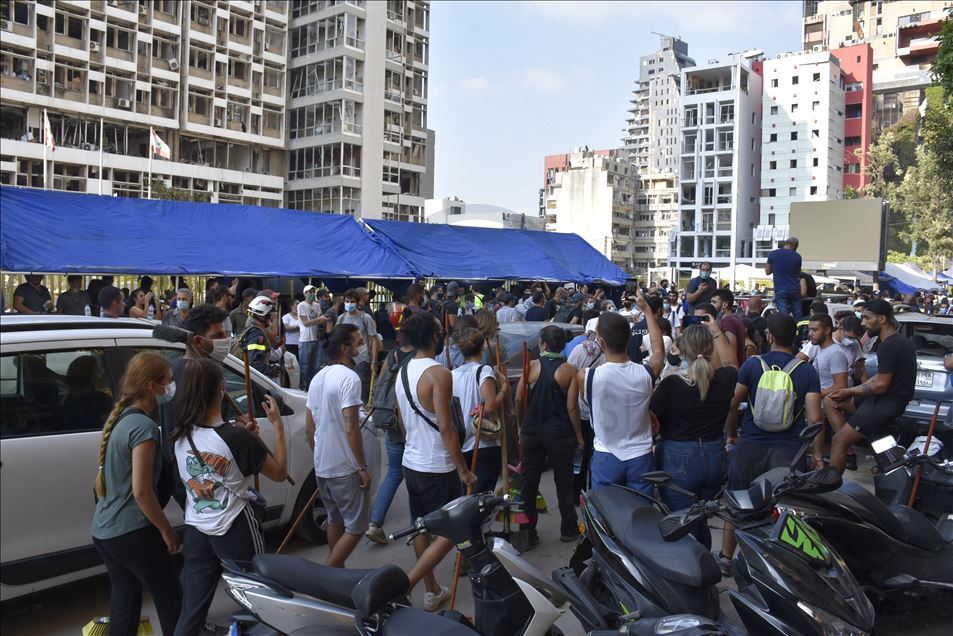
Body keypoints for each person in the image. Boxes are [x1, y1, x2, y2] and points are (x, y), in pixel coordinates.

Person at [172, 358, 287, 636]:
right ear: (221, 389)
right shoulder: (236, 438)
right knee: (258, 598)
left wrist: (244, 437)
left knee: (191, 610)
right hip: (235, 526)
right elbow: (280, 472)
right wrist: (278, 426)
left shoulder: (181, 434)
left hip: (197, 528)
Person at [721, 313, 821, 575]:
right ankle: (779, 565)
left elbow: (732, 404)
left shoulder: (752, 365)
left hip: (750, 446)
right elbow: (814, 419)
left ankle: (726, 558)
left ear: (770, 336)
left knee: (737, 501)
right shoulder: (806, 371)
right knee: (786, 508)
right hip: (789, 451)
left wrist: (732, 435)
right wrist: (818, 455)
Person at [91, 352, 182, 636]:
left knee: (125, 600)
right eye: (168, 381)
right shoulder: (143, 428)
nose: (171, 387)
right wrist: (166, 530)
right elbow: (142, 492)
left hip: (104, 531)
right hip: (134, 531)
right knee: (171, 598)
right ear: (151, 386)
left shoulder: (119, 419)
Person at [396, 313, 476, 610]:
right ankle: (408, 584)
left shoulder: (403, 371)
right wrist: (463, 470)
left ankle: (432, 591)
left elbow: (401, 420)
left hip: (411, 461)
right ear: (432, 337)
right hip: (436, 465)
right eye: (440, 332)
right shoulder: (439, 374)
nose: (443, 336)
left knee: (421, 527)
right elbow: (447, 427)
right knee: (454, 528)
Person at [650, 323, 738, 548]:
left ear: (682, 350)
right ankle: (704, 562)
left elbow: (650, 417)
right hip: (714, 456)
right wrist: (717, 331)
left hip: (678, 458)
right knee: (700, 521)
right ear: (711, 349)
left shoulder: (671, 383)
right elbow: (731, 362)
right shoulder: (726, 378)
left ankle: (691, 567)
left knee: (681, 525)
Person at [580, 294, 664, 494]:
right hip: (640, 456)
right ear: (628, 339)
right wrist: (647, 311)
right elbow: (659, 350)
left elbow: (588, 401)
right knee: (641, 508)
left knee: (605, 509)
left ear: (601, 342)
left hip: (606, 456)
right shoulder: (646, 373)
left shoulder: (586, 376)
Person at [305, 325, 370, 567]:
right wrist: (361, 467)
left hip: (323, 465)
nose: (363, 347)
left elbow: (309, 429)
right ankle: (329, 571)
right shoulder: (349, 378)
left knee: (335, 520)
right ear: (345, 348)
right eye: (359, 342)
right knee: (357, 526)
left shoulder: (318, 377)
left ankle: (336, 573)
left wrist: (320, 454)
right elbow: (351, 428)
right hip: (345, 467)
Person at [826, 300, 917, 473]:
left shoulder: (890, 345)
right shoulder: (897, 341)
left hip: (883, 406)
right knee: (831, 401)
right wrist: (852, 390)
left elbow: (881, 385)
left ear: (882, 319)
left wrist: (849, 391)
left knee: (839, 441)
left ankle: (830, 482)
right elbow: (879, 378)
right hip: (880, 402)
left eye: (867, 318)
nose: (863, 323)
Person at [516, 325, 584, 545]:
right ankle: (569, 528)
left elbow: (518, 399)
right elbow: (572, 407)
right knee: (564, 483)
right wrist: (579, 436)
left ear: (543, 344)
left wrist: (521, 425)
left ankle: (527, 533)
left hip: (531, 432)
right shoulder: (569, 370)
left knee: (528, 484)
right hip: (559, 435)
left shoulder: (531, 367)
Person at [365, 335, 417, 545]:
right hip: (408, 424)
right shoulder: (418, 359)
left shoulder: (393, 355)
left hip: (388, 420)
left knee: (394, 473)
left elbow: (380, 385)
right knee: (415, 475)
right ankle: (416, 528)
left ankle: (375, 523)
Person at [452, 327, 507, 495]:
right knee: (481, 497)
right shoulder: (484, 370)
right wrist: (504, 389)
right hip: (483, 440)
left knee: (466, 494)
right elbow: (489, 405)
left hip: (461, 441)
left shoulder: (452, 374)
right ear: (482, 346)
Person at [337, 289, 380, 402]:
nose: (349, 304)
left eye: (352, 301)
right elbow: (336, 339)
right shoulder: (341, 318)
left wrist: (374, 362)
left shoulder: (365, 318)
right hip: (345, 360)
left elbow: (374, 340)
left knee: (362, 392)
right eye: (347, 301)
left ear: (357, 303)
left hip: (362, 360)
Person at [297, 285, 330, 391]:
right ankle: (302, 387)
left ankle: (311, 386)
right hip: (305, 339)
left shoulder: (316, 305)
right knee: (304, 365)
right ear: (305, 294)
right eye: (310, 292)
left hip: (315, 338)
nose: (312, 294)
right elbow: (306, 323)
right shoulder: (301, 305)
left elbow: (320, 318)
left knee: (315, 365)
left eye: (313, 292)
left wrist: (323, 319)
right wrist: (319, 319)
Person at [766, 237, 803, 320]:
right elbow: (798, 273)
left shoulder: (773, 254)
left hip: (780, 289)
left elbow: (767, 271)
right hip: (795, 289)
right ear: (795, 245)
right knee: (798, 317)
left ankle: (784, 328)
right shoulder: (797, 256)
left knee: (783, 317)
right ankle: (799, 328)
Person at [711, 289, 747, 364]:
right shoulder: (734, 319)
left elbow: (731, 353)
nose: (711, 305)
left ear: (725, 305)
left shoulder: (728, 322)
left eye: (714, 302)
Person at [627, 294, 663, 364]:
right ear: (659, 310)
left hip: (633, 367)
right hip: (651, 368)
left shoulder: (635, 327)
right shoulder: (659, 328)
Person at [282, 294, 302, 360]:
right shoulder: (286, 317)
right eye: (297, 304)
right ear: (292, 306)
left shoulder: (302, 316)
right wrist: (298, 327)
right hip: (290, 343)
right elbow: (286, 327)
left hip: (301, 342)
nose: (299, 305)